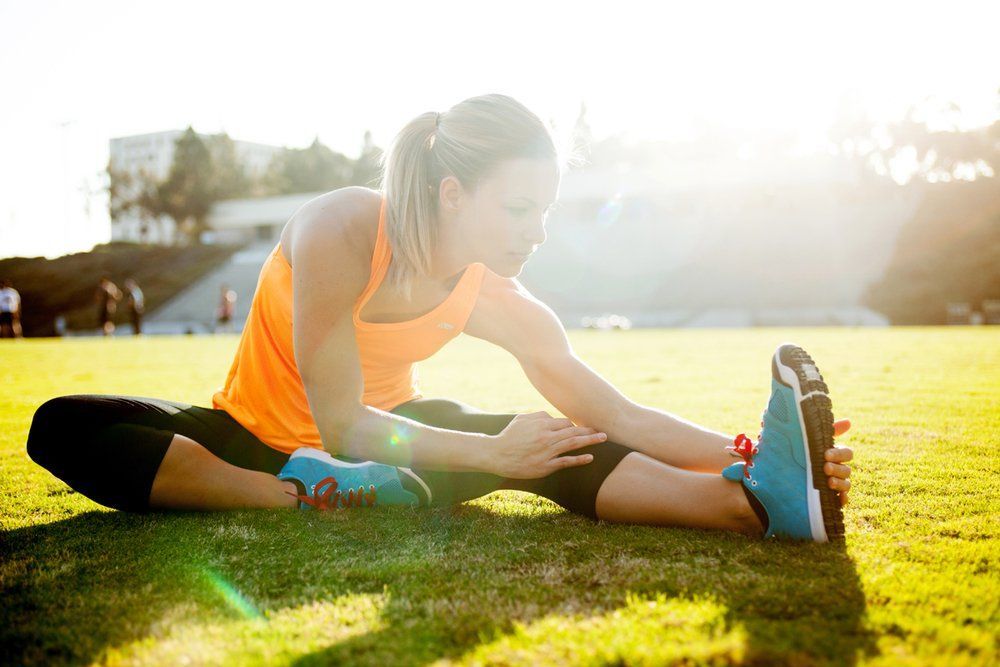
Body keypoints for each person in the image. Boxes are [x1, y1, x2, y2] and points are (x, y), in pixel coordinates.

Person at [25, 94, 853, 541]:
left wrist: (756, 453)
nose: (538, 232)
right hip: (264, 437)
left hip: (398, 455)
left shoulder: (497, 290)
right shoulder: (345, 228)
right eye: (520, 208)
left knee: (558, 438)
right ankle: (294, 499)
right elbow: (339, 421)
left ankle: (750, 503)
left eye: (546, 212)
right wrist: (490, 453)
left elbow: (616, 413)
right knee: (64, 424)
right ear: (453, 193)